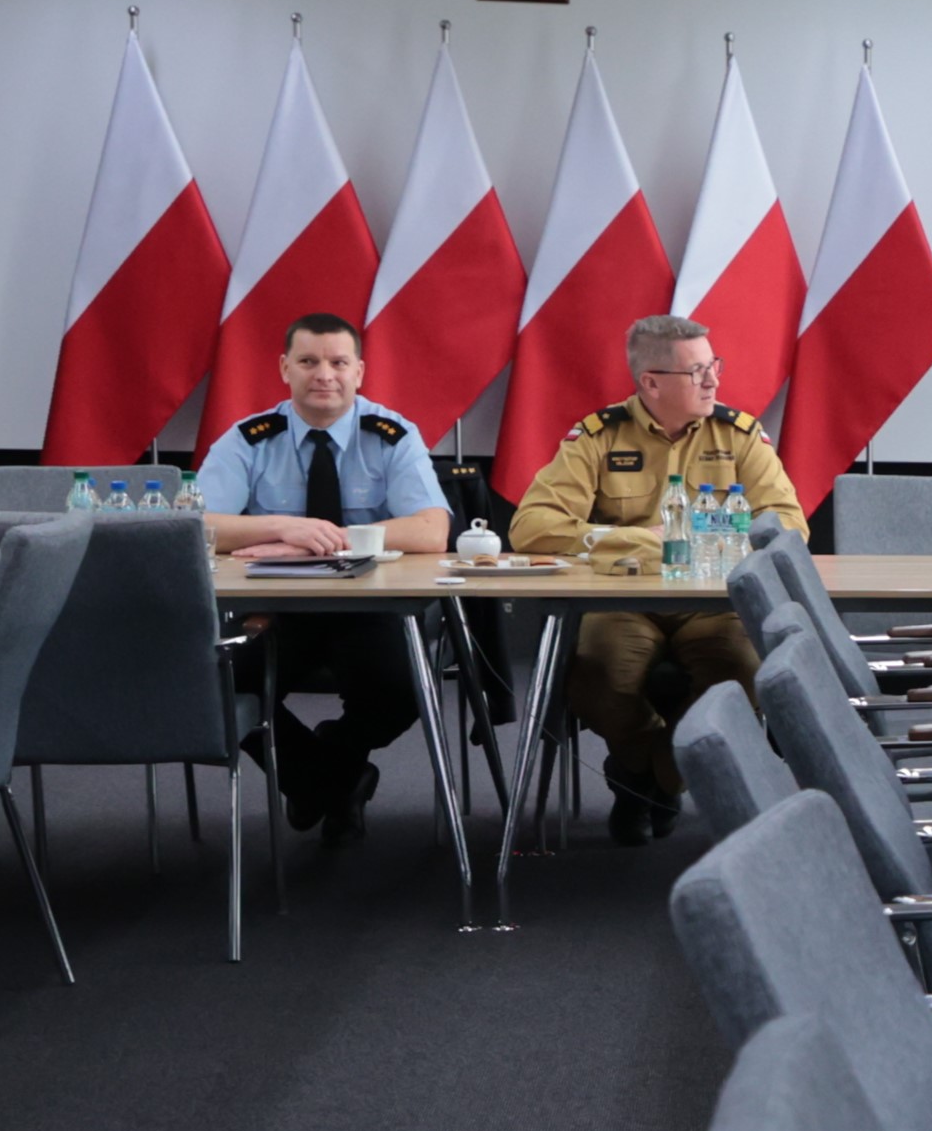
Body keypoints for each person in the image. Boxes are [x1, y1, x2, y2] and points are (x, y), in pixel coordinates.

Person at [509, 315, 808, 845]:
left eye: (713, 366)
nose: (713, 380)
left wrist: (687, 535)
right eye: (697, 371)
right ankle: (655, 772)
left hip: (714, 602)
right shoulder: (599, 436)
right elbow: (531, 527)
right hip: (623, 600)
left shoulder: (737, 435)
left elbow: (787, 526)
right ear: (651, 382)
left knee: (743, 671)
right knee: (599, 674)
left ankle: (647, 781)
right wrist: (643, 539)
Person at [193, 311, 452, 838]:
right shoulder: (249, 439)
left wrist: (328, 537)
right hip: (275, 611)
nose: (324, 375)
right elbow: (194, 525)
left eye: (338, 362)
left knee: (399, 692)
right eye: (309, 361)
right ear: (284, 368)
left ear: (360, 371)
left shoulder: (391, 435)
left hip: (370, 607)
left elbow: (431, 531)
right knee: (216, 683)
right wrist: (283, 527)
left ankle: (331, 762)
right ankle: (330, 781)